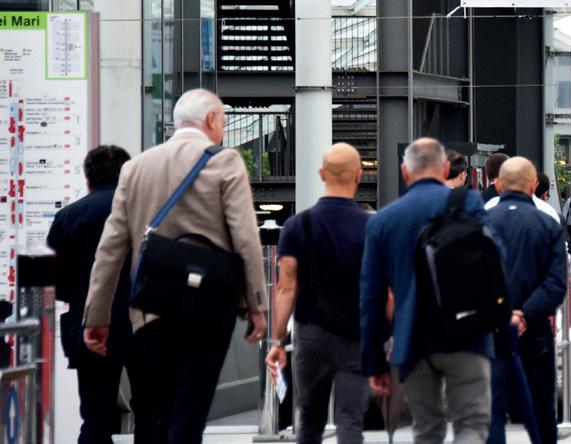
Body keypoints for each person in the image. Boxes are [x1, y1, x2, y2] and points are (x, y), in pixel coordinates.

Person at [83, 89, 269, 442]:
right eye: (223, 122)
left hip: (151, 307)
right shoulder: (225, 162)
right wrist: (256, 305)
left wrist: (97, 316)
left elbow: (110, 248)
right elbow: (245, 236)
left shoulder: (135, 168)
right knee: (191, 408)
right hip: (209, 306)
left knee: (159, 409)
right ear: (211, 119)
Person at [360, 138, 493, 444]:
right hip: (467, 333)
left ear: (404, 172)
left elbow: (371, 296)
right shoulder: (469, 204)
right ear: (445, 168)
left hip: (412, 337)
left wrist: (374, 360)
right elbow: (496, 259)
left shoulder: (383, 220)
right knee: (471, 425)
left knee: (426, 429)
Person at [266, 144, 371, 444]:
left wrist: (277, 341)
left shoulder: (297, 225)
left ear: (321, 173)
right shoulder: (372, 226)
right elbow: (381, 287)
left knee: (310, 422)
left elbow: (286, 287)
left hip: (311, 335)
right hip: (355, 335)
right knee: (350, 420)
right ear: (358, 176)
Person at [47, 145, 132, 444]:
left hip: (90, 327)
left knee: (96, 418)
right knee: (152, 412)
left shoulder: (68, 217)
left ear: (88, 178)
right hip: (140, 324)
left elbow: (56, 282)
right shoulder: (142, 213)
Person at [488, 157, 568, 444]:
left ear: (498, 185)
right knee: (541, 407)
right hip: (535, 329)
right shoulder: (547, 223)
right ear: (534, 185)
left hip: (490, 329)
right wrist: (524, 313)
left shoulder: (480, 222)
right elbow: (556, 283)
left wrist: (504, 313)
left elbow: (473, 280)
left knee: (492, 408)